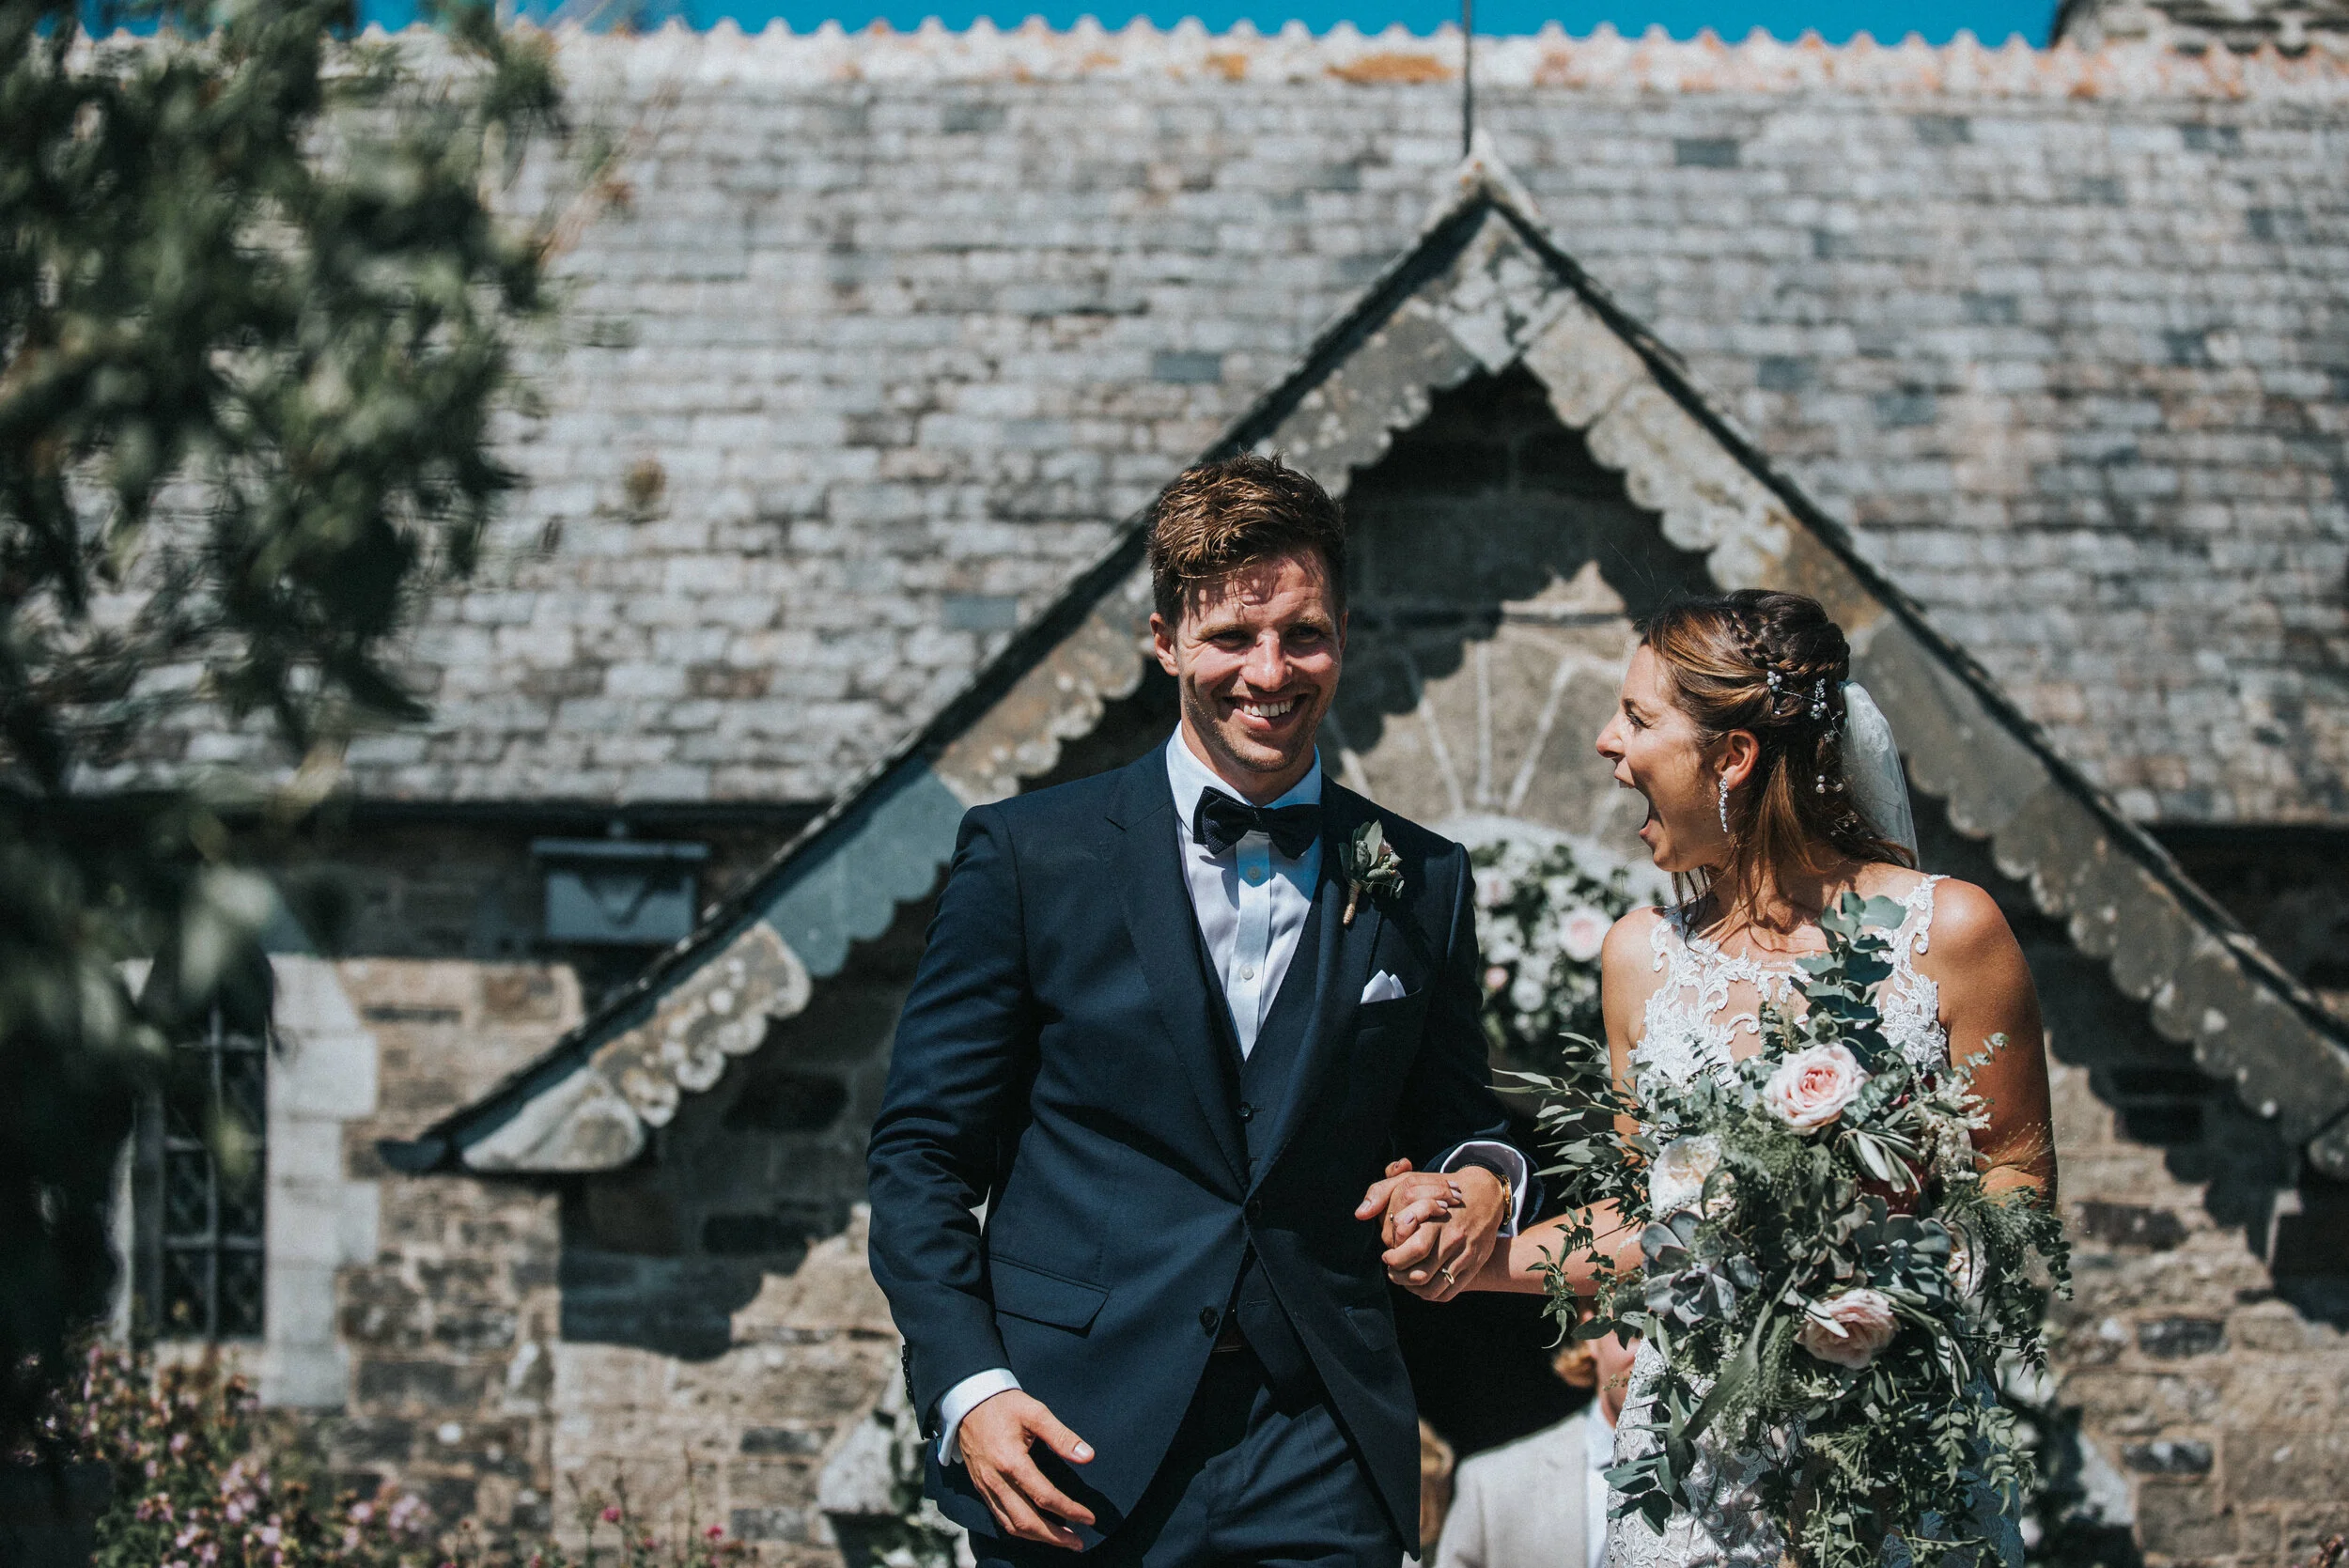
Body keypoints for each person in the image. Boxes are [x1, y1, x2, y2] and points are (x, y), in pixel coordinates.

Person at [866, 454, 1535, 1568]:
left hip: (1321, 1442)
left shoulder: (1421, 876)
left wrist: (1477, 1183)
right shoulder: (1030, 856)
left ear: (1342, 635)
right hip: (1071, 1441)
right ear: (1165, 640)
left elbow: (1472, 1120)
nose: (1270, 671)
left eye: (1303, 633)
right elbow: (921, 1154)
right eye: (1231, 637)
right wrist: (971, 1388)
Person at [1377, 590, 2056, 1568]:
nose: (1609, 744)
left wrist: (1879, 1287)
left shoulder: (1951, 934)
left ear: (1731, 757)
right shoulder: (1638, 958)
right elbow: (1646, 1228)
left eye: (1640, 718)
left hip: (1892, 1451)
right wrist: (1469, 1251)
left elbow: (2018, 1192)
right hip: (1695, 1468)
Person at [1434, 1328, 1638, 1568]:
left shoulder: (1694, 1479)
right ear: (1592, 1328)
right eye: (1637, 1330)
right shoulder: (1491, 1486)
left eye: (1676, 1329)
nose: (1654, 1351)